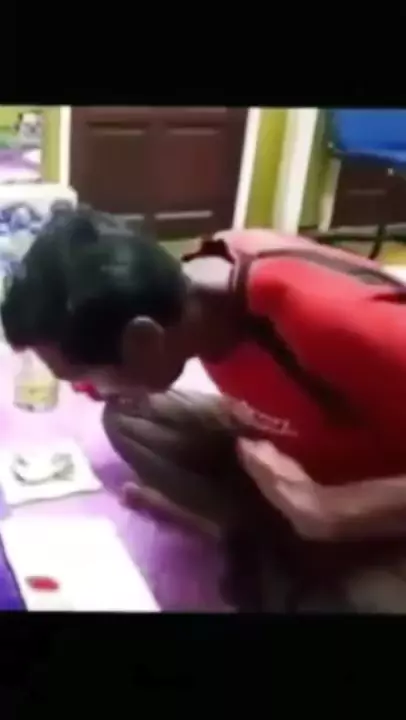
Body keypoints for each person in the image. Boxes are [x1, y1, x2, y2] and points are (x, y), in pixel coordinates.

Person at [4, 205, 406, 612]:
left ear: (144, 340)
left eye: (85, 377)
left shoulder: (334, 322)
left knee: (362, 603)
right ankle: (267, 537)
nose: (88, 391)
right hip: (312, 448)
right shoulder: (196, 289)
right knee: (132, 419)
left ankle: (283, 551)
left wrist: (331, 509)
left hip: (378, 495)